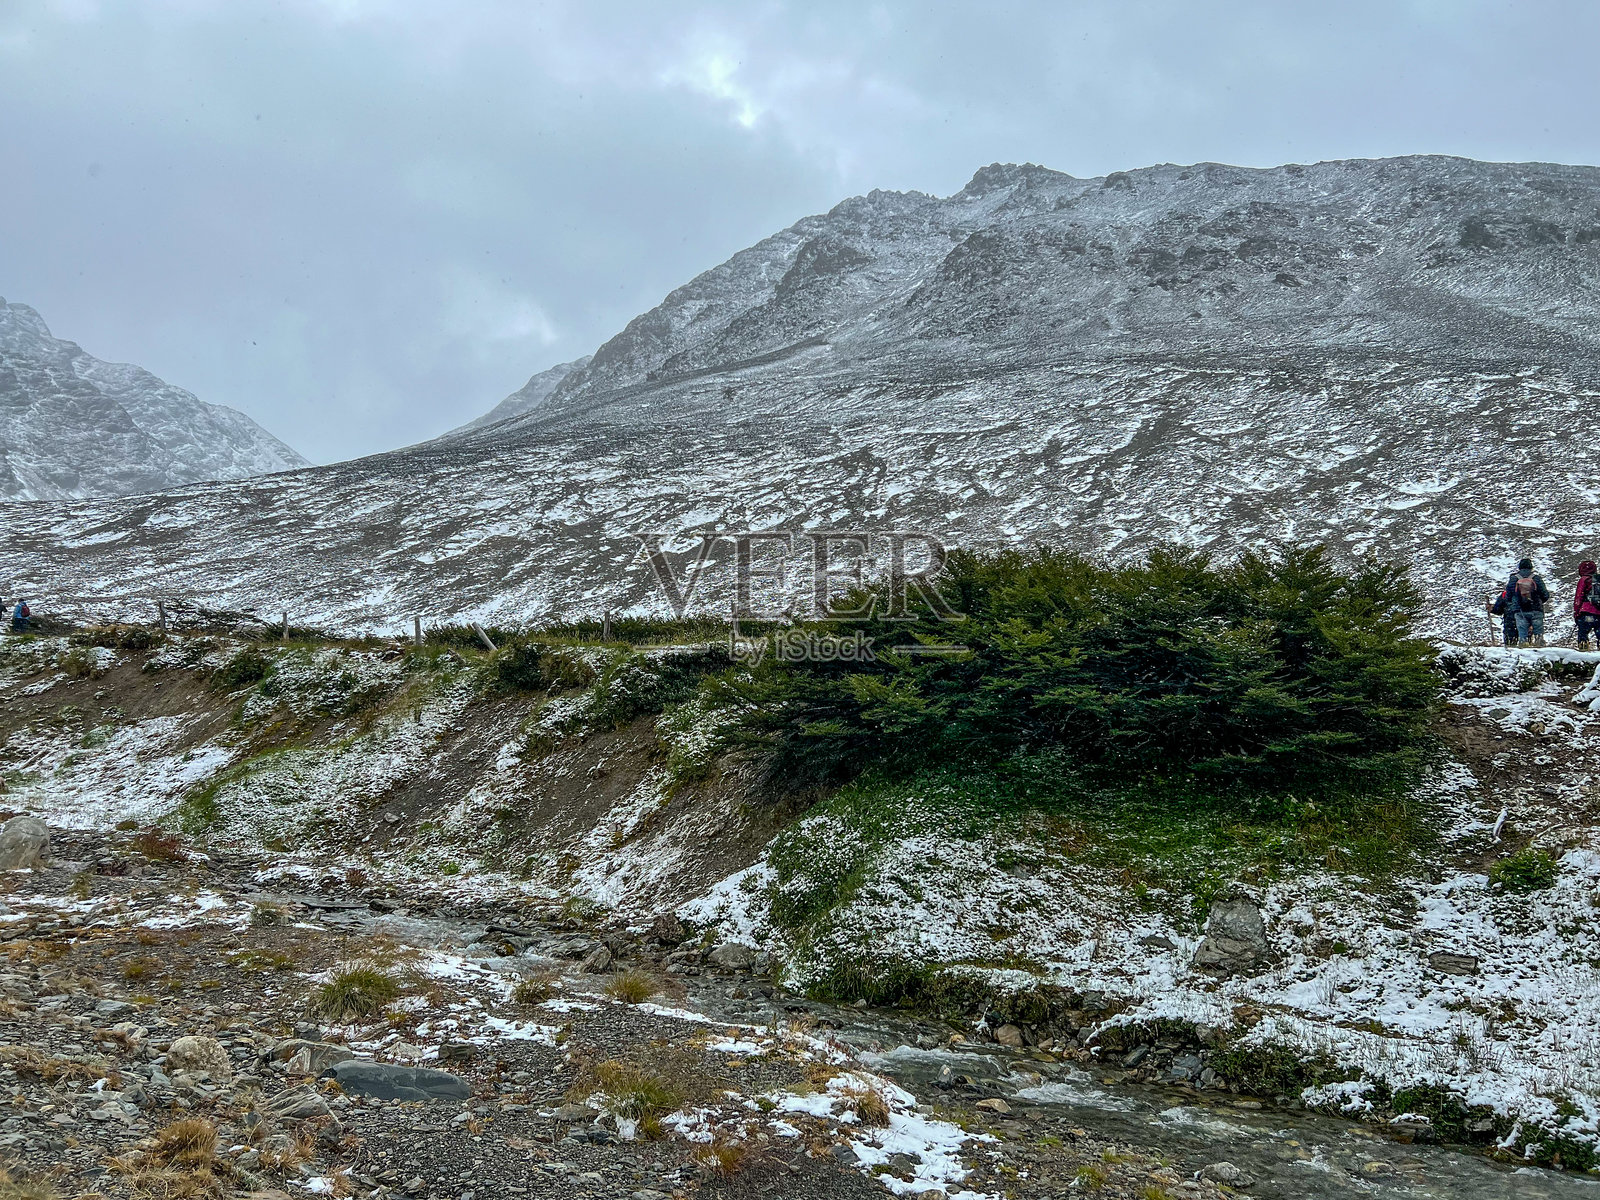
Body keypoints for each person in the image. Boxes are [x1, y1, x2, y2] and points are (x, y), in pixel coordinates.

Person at [1507, 558, 1550, 647]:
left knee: (1522, 635)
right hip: (1536, 609)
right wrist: (1538, 602)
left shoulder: (1514, 579)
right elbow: (1545, 595)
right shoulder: (1536, 578)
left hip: (1520, 610)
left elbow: (1508, 596)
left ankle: (1524, 652)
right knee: (1538, 634)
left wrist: (1515, 603)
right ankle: (1540, 652)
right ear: (1531, 567)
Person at [1576, 561, 1600, 651]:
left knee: (1583, 632)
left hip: (1587, 611)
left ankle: (1583, 648)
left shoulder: (1584, 579)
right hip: (1599, 613)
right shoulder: (1598, 580)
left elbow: (1579, 597)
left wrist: (1577, 613)